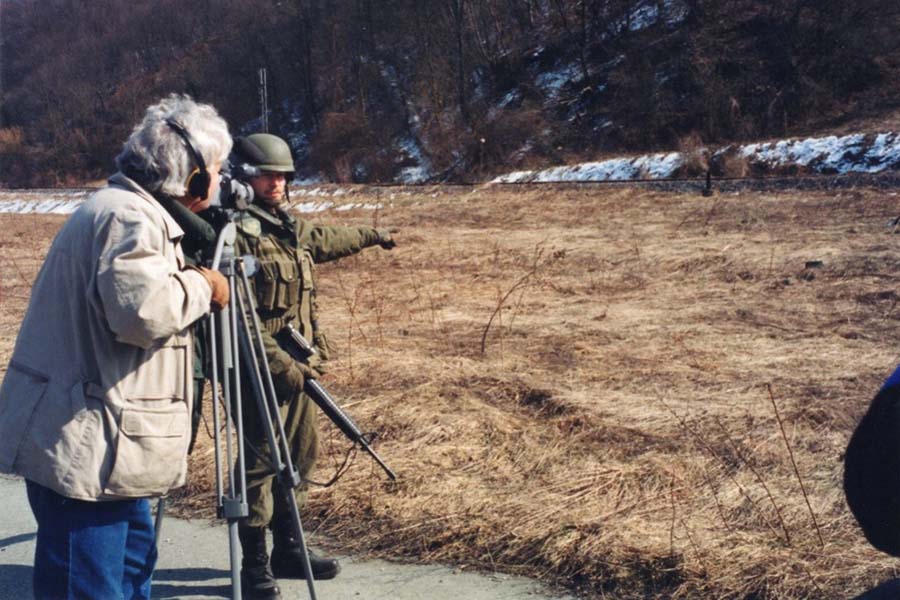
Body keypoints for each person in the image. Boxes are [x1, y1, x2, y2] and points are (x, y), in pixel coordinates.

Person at [0, 94, 232, 599]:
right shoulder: (128, 217)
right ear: (192, 175)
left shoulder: (128, 209)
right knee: (90, 589)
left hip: (109, 447)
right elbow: (142, 314)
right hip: (88, 447)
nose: (220, 180)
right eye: (216, 168)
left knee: (125, 579)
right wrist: (204, 285)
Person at [229, 133, 396, 599]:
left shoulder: (282, 226)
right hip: (260, 370)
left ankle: (289, 550)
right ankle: (255, 565)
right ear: (244, 177)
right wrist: (279, 363)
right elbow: (238, 314)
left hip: (299, 368)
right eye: (266, 175)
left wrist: (371, 235)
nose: (276, 183)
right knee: (261, 466)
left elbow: (322, 239)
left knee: (300, 455)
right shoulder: (235, 233)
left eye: (282, 176)